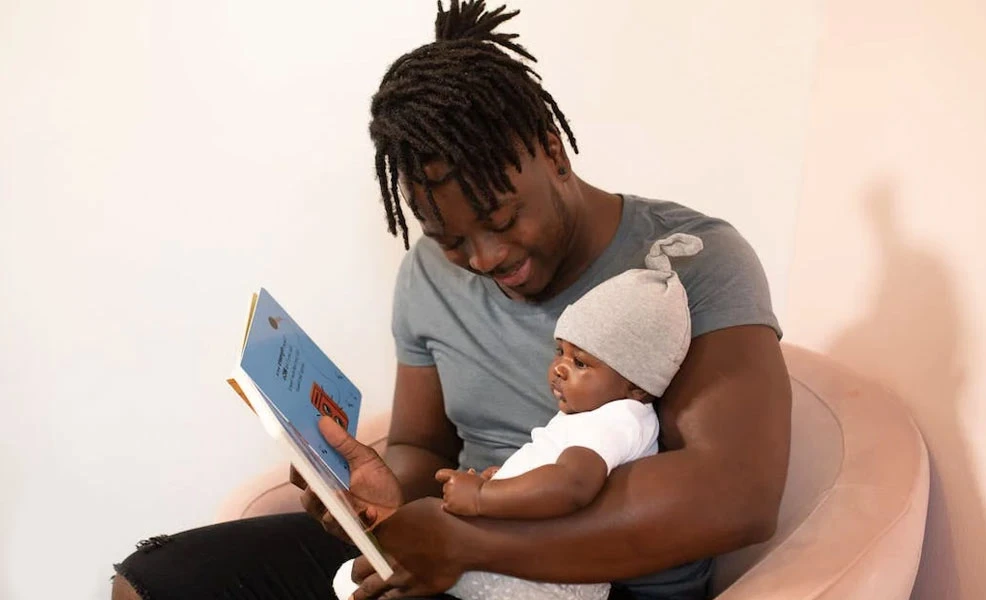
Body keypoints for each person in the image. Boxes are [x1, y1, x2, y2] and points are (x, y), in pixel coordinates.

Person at [111, 2, 791, 599]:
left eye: (502, 219)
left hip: (599, 582)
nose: (485, 260)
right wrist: (385, 493)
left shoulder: (691, 261)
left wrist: (471, 544)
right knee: (157, 581)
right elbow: (420, 444)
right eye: (451, 240)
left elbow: (737, 495)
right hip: (457, 554)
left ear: (553, 153)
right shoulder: (428, 276)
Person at [334, 234, 704, 600]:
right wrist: (509, 481)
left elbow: (571, 485)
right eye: (560, 351)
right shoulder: (597, 414)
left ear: (637, 386)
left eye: (580, 363)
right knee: (395, 557)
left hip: (542, 578)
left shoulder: (617, 418)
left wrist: (484, 497)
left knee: (390, 565)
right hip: (530, 561)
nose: (559, 368)